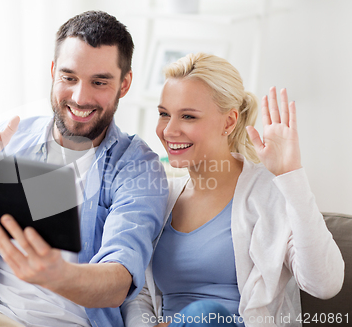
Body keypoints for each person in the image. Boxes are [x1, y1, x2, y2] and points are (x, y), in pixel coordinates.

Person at [0, 11, 168, 327]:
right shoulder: (8, 139)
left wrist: (58, 275)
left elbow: (118, 281)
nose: (79, 97)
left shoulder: (136, 167)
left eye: (99, 82)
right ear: (52, 71)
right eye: (69, 77)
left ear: (124, 84)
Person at [121, 53, 344, 327]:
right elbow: (138, 293)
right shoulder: (161, 196)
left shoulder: (268, 192)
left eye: (188, 116)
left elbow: (325, 284)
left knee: (202, 315)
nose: (169, 130)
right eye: (164, 114)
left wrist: (291, 174)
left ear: (229, 122)